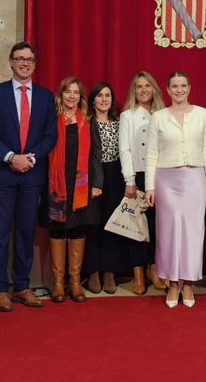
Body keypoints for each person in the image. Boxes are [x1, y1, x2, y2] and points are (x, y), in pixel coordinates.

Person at [0, 42, 57, 312]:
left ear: (35, 64)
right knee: (0, 232)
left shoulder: (47, 98)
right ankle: (0, 288)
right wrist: (11, 157)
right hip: (3, 173)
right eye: (19, 59)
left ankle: (22, 286)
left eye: (29, 59)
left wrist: (31, 158)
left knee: (26, 231)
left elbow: (51, 135)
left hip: (31, 175)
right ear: (10, 62)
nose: (24, 63)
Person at [145, 71, 206, 308]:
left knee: (193, 233)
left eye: (183, 85)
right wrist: (149, 186)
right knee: (168, 233)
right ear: (167, 89)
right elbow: (152, 153)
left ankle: (188, 283)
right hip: (166, 180)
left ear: (189, 87)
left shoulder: (202, 114)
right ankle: (172, 283)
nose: (179, 90)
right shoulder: (159, 117)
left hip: (195, 178)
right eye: (174, 86)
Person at [46, 76, 103, 303]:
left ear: (81, 97)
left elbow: (96, 156)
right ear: (61, 95)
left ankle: (75, 282)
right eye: (67, 92)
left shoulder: (88, 121)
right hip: (56, 184)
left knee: (78, 229)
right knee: (58, 230)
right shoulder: (51, 119)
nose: (71, 96)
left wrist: (97, 183)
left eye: (76, 92)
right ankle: (58, 284)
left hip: (82, 184)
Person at [119, 71, 167, 291]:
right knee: (138, 227)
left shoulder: (164, 113)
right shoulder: (128, 115)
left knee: (158, 227)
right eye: (139, 86)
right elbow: (125, 149)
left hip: (161, 176)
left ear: (154, 88)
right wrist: (130, 180)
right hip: (138, 175)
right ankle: (138, 273)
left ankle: (155, 270)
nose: (144, 90)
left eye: (148, 85)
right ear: (134, 91)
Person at [82, 82, 132, 294]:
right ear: (92, 99)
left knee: (112, 223)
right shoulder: (86, 122)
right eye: (100, 96)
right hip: (93, 176)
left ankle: (109, 271)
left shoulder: (120, 122)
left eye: (107, 96)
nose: (104, 99)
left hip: (115, 176)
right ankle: (92, 271)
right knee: (93, 223)